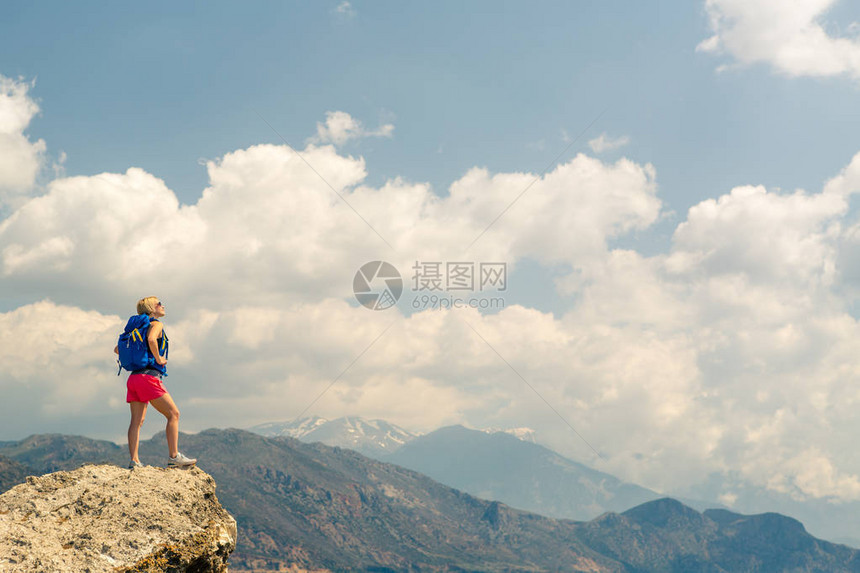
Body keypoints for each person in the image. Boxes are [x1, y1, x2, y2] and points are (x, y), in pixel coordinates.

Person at [114, 296, 196, 469]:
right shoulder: (156, 324)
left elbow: (117, 349)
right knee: (173, 414)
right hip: (149, 377)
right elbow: (152, 339)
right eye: (159, 303)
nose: (163, 305)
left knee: (136, 421)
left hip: (134, 378)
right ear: (152, 309)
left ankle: (134, 461)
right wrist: (159, 358)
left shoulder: (135, 329)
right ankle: (174, 457)